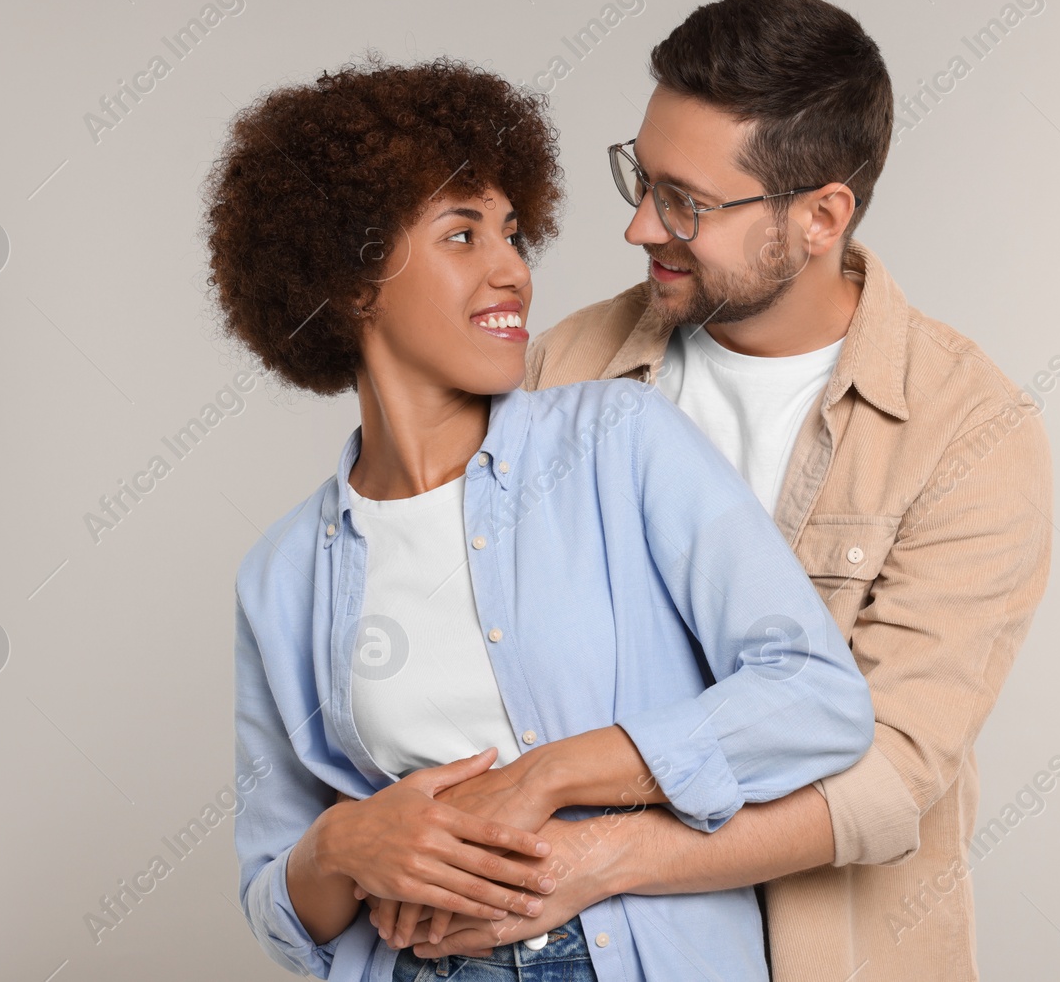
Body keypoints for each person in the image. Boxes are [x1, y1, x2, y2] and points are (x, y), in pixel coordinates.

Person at [387, 0, 1054, 982]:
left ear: (821, 214)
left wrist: (599, 855)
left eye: (686, 202)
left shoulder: (968, 431)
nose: (639, 226)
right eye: (641, 178)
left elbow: (888, 775)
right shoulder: (561, 367)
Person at [204, 54, 876, 981]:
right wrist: (345, 846)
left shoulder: (621, 441)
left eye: (514, 233)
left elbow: (815, 695)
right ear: (352, 277)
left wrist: (548, 775)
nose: (512, 269)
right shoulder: (280, 575)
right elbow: (278, 902)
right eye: (461, 235)